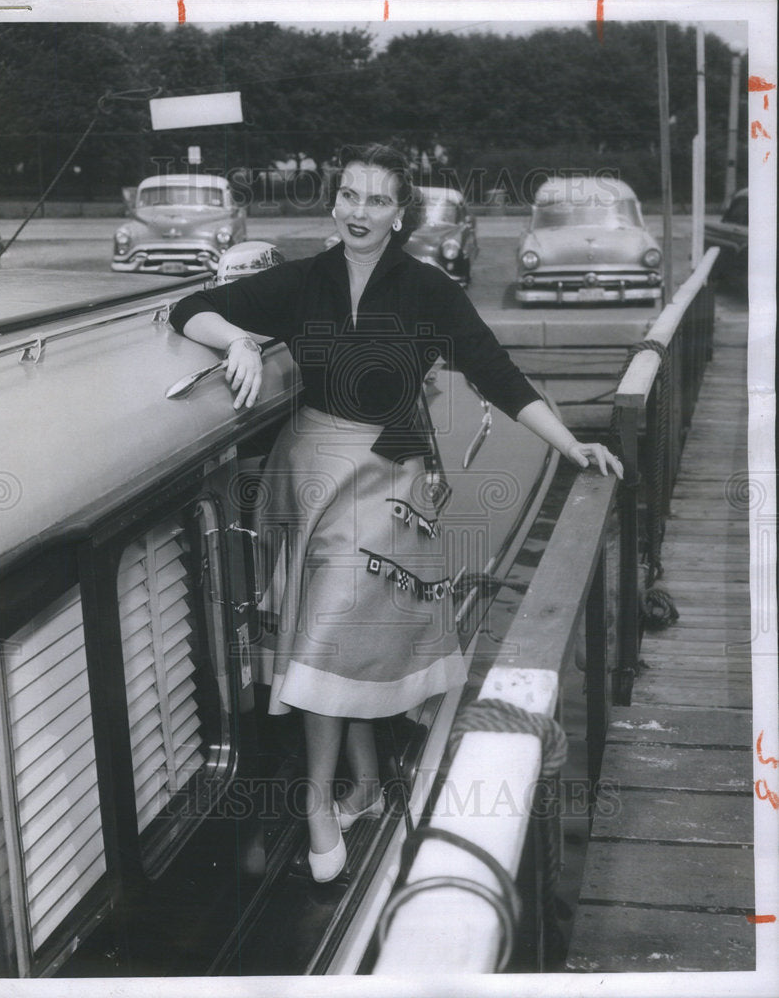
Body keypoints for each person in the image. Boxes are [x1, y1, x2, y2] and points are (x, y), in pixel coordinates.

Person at [170, 143, 623, 883]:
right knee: (334, 630)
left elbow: (497, 372)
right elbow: (188, 308)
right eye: (348, 195)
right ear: (334, 202)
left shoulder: (427, 289)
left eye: (376, 200)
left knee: (329, 629)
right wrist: (241, 340)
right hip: (310, 472)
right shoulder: (302, 280)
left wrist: (573, 443)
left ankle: (319, 802)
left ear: (399, 213)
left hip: (388, 477)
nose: (358, 211)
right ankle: (368, 788)